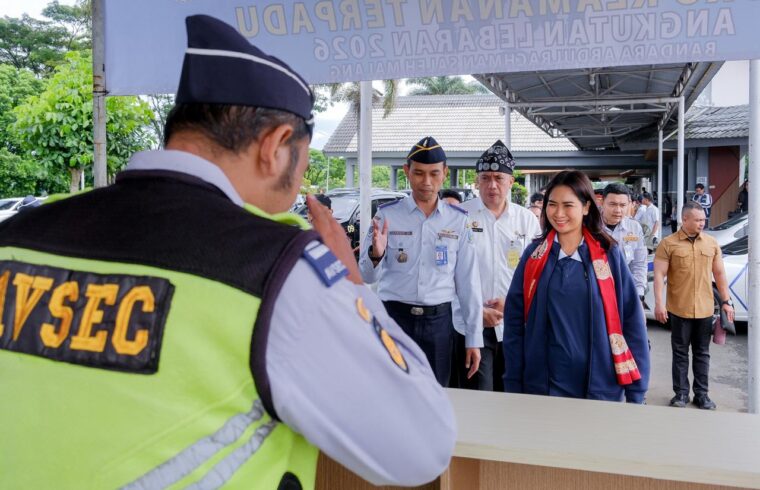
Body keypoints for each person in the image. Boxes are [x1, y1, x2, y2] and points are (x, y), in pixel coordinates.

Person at [0, 15, 455, 489]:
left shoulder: (16, 237)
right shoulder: (277, 272)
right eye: (302, 163)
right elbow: (421, 446)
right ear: (275, 147)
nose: (299, 184)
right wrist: (352, 283)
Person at [503, 170, 650, 403]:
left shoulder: (608, 255)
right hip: (543, 386)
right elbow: (514, 322)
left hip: (600, 386)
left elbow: (632, 320)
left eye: (568, 205)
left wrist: (637, 391)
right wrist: (513, 380)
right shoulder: (534, 256)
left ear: (586, 207)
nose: (558, 213)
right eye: (552, 204)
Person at [359, 136, 483, 386]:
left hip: (438, 324)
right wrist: (376, 254)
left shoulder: (458, 220)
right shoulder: (386, 215)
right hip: (394, 318)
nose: (426, 182)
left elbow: (468, 282)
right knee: (391, 391)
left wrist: (473, 338)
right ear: (407, 171)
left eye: (434, 174)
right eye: (418, 173)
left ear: (444, 173)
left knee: (435, 392)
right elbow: (366, 276)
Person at [451, 141, 541, 392]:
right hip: (470, 326)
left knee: (512, 395)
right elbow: (446, 274)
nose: (492, 185)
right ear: (476, 181)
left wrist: (512, 304)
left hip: (514, 325)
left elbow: (536, 275)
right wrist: (475, 310)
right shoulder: (459, 217)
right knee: (478, 397)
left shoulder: (527, 221)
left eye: (499, 178)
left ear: (511, 181)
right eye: (485, 178)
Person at [653, 201, 734, 410]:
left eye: (703, 220)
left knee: (702, 353)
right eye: (697, 220)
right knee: (680, 353)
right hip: (679, 309)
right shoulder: (668, 244)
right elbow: (659, 275)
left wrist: (726, 302)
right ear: (684, 219)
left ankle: (702, 395)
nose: (702, 223)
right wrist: (659, 304)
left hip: (705, 309)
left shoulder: (711, 243)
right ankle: (680, 394)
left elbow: (719, 274)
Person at [600, 183, 647, 299]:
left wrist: (639, 292)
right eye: (612, 204)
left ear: (629, 205)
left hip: (624, 290)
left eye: (622, 205)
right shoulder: (589, 227)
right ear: (602, 202)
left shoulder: (634, 228)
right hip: (597, 291)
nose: (618, 210)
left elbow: (639, 263)